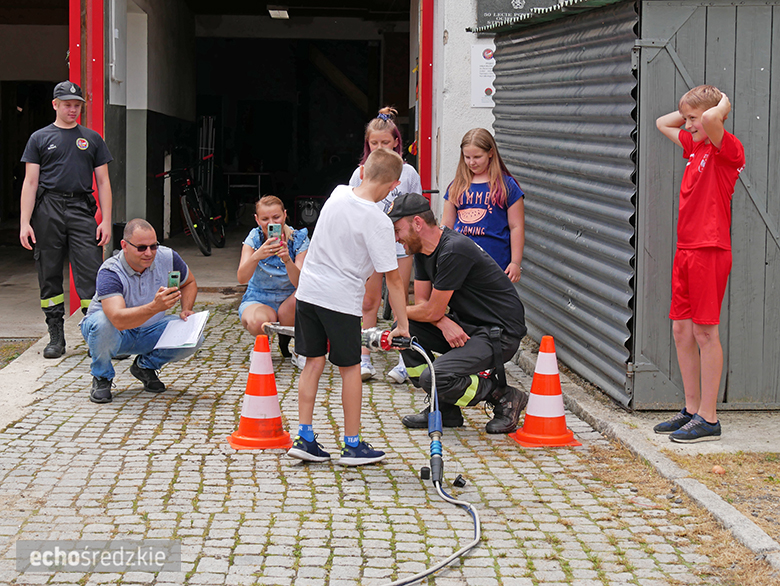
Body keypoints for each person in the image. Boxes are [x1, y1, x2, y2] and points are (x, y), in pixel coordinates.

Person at [287, 148, 410, 466]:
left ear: (363, 170)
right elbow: (393, 280)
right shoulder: (378, 221)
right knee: (351, 368)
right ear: (394, 185)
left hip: (308, 292)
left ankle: (304, 437)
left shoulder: (338, 194)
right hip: (340, 299)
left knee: (313, 362)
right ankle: (352, 445)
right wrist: (403, 325)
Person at [389, 192, 528, 434]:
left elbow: (430, 309)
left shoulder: (453, 250)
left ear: (417, 224)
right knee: (402, 331)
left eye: (397, 229)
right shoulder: (422, 250)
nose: (396, 237)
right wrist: (441, 321)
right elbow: (424, 304)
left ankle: (502, 396)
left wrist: (426, 313)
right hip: (468, 326)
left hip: (499, 334)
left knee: (434, 378)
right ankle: (444, 409)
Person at [654, 85, 744, 443]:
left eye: (693, 119)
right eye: (688, 119)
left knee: (706, 332)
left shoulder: (726, 150)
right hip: (686, 249)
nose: (689, 125)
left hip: (710, 249)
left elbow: (708, 117)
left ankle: (709, 417)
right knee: (681, 330)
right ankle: (691, 409)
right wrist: (689, 111)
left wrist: (719, 105)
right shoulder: (696, 147)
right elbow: (663, 122)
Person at [19, 81, 113, 359]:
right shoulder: (38, 138)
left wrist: (106, 219)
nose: (73, 110)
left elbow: (104, 182)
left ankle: (96, 334)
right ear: (55, 105)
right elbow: (30, 182)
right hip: (47, 208)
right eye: (67, 105)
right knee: (48, 272)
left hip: (81, 209)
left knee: (91, 274)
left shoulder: (92, 139)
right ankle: (56, 335)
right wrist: (25, 222)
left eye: (77, 105)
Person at [80, 219, 204, 404]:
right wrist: (155, 307)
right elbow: (117, 320)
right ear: (124, 246)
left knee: (194, 335)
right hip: (115, 332)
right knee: (103, 322)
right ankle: (102, 377)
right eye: (141, 248)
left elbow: (189, 282)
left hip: (149, 329)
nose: (149, 253)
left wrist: (186, 309)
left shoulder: (168, 257)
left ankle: (145, 367)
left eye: (154, 246)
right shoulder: (110, 271)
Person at [348, 107, 421, 384]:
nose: (379, 147)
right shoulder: (361, 173)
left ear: (396, 143)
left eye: (385, 143)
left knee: (399, 297)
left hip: (399, 245)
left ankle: (404, 361)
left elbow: (418, 208)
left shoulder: (409, 172)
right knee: (369, 300)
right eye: (373, 143)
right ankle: (364, 355)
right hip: (369, 246)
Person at [442, 128, 524, 283]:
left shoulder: (508, 186)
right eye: (467, 157)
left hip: (496, 263)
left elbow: (516, 226)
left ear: (491, 153)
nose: (472, 162)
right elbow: (446, 225)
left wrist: (515, 262)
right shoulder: (456, 186)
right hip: (461, 261)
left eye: (477, 157)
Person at [236, 196, 309, 362]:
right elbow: (242, 277)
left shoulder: (298, 238)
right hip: (259, 297)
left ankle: (298, 347)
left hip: (290, 299)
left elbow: (301, 283)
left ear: (284, 215)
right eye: (265, 219)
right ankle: (262, 344)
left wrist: (287, 260)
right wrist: (257, 256)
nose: (272, 223)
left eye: (276, 217)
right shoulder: (254, 238)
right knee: (258, 322)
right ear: (257, 219)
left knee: (306, 300)